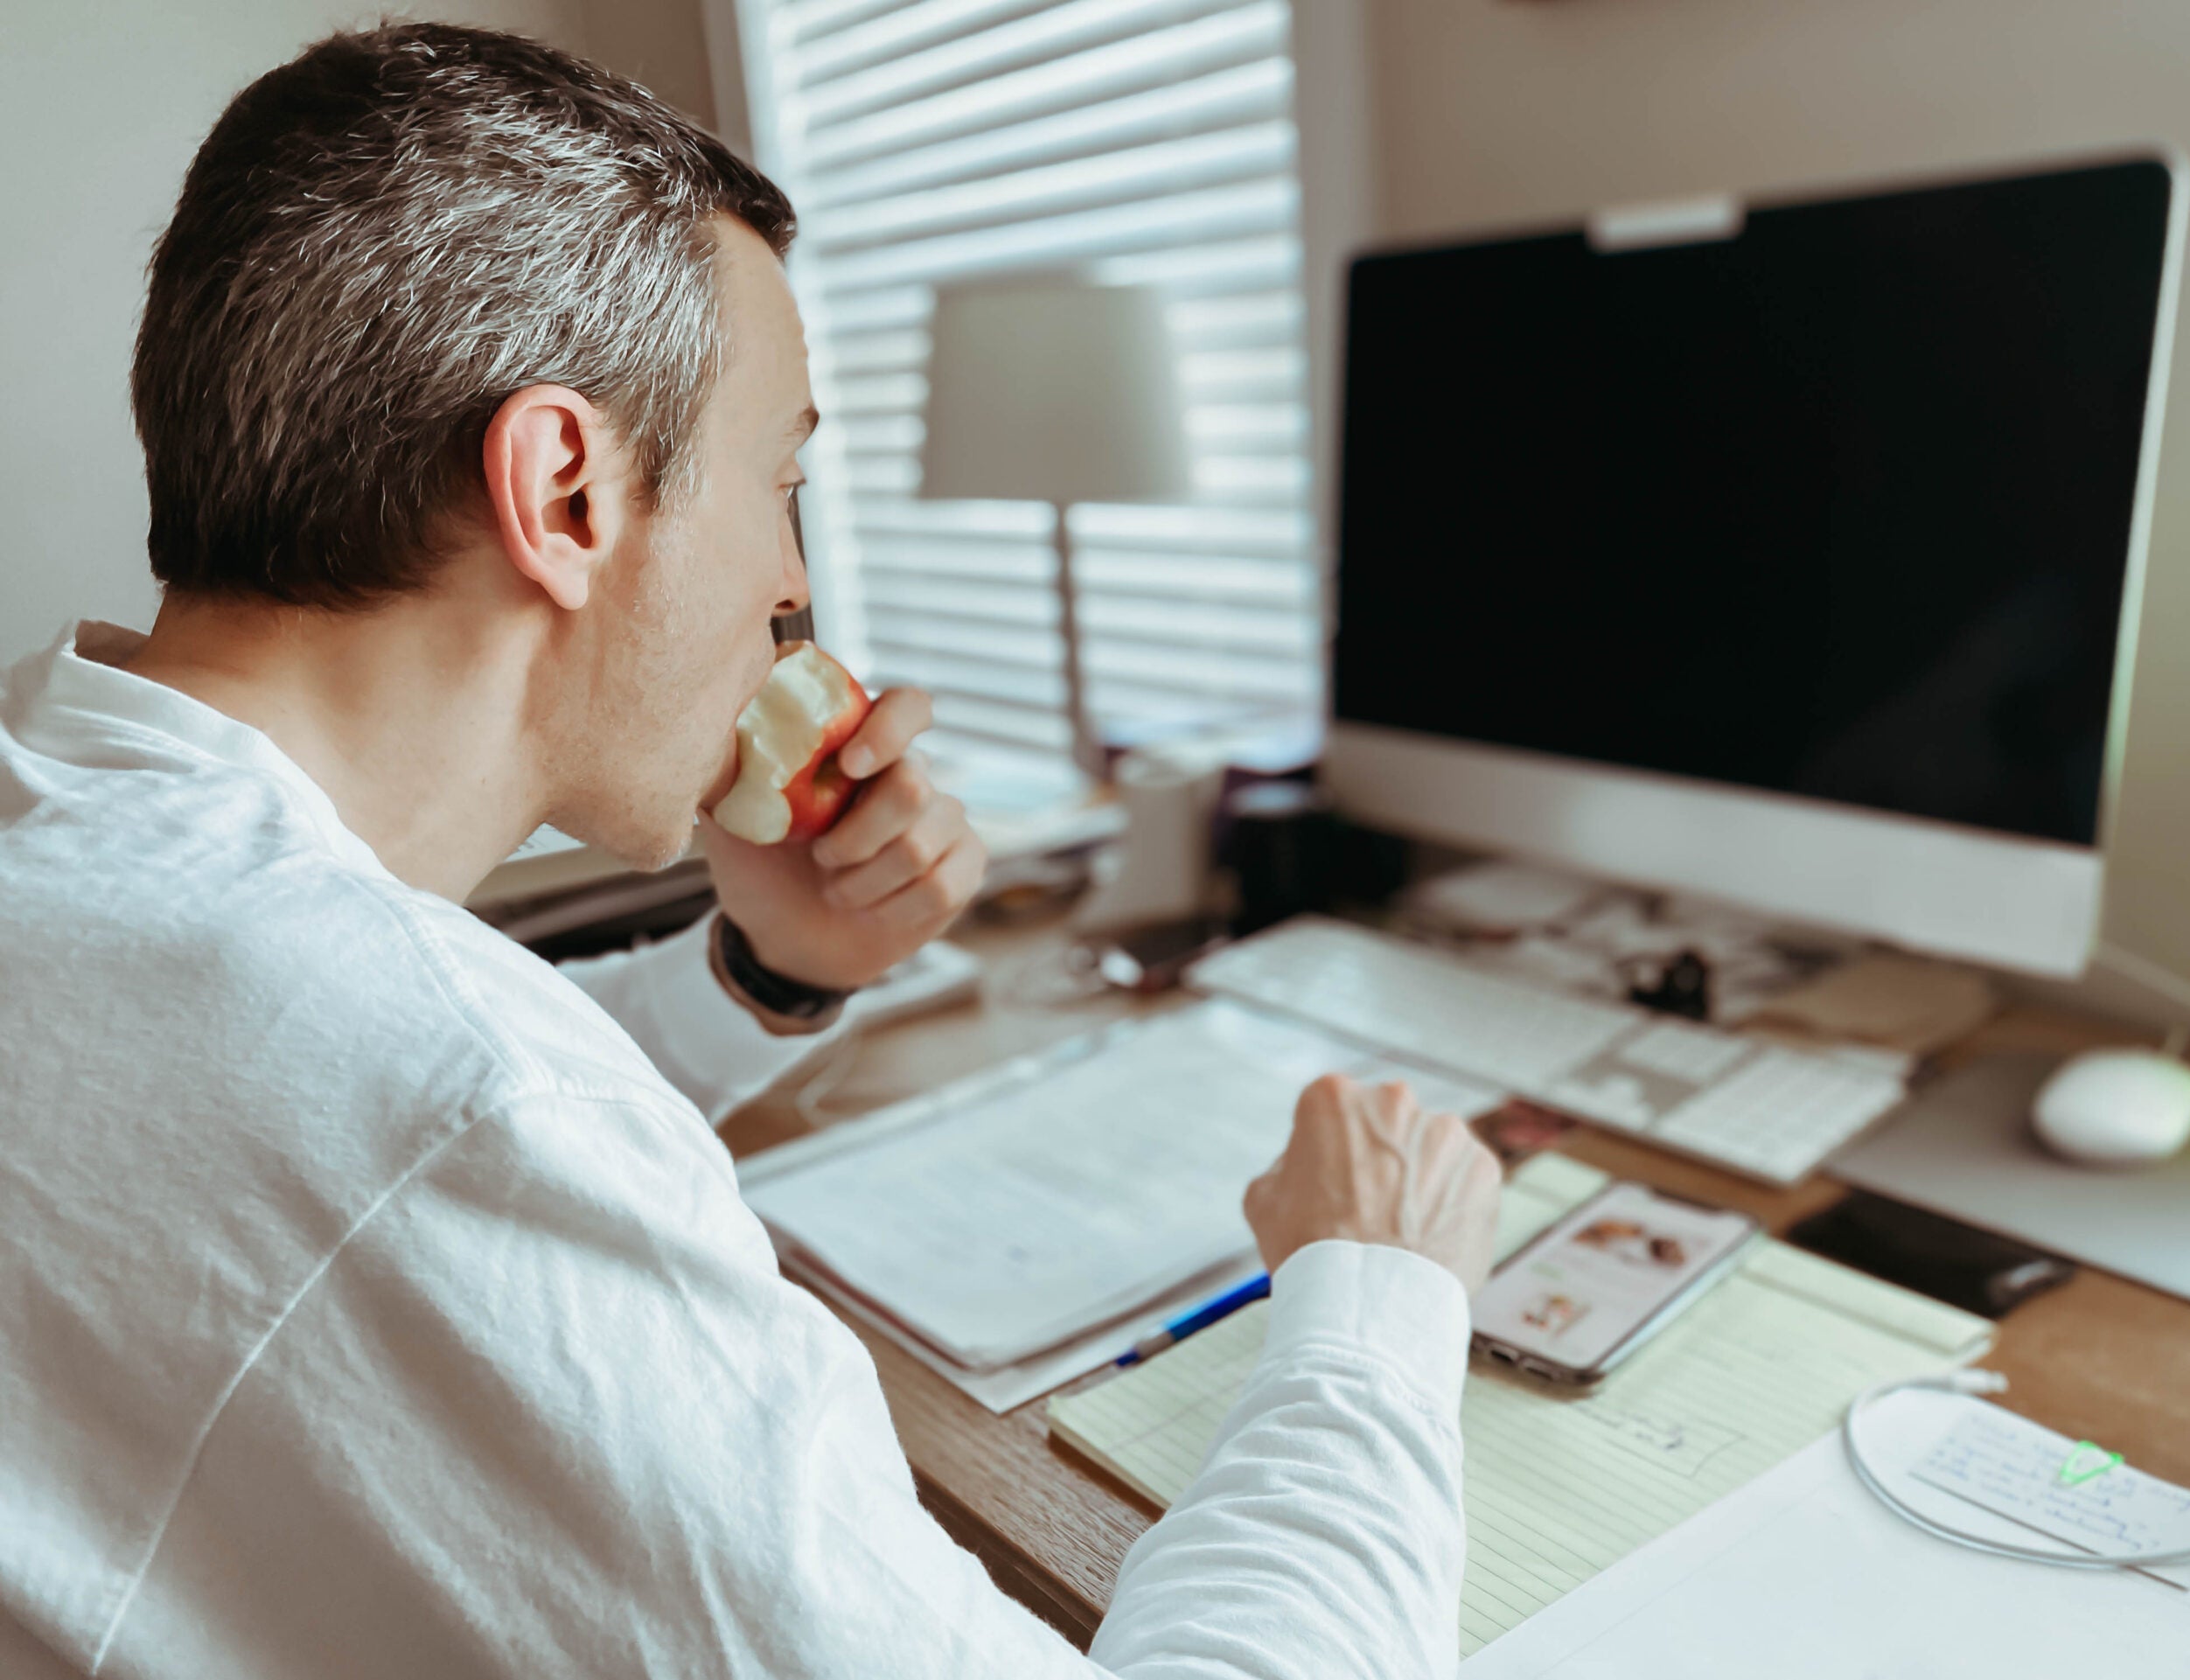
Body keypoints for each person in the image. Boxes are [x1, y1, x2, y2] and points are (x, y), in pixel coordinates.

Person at [0, 24, 1504, 1678]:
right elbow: (432, 1121)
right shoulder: (455, 1102)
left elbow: (328, 1116)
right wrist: (1371, 1301)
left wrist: (766, 969)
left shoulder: (67, 817)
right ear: (565, 490)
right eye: (782, 479)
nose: (792, 587)